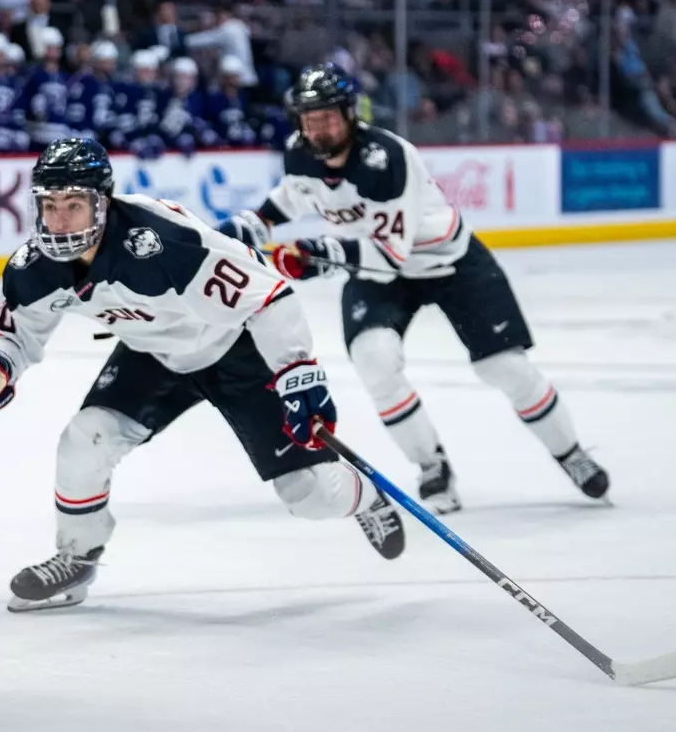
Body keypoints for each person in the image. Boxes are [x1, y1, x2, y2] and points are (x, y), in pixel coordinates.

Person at [0, 139, 405, 612]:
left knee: (308, 495)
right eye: (50, 205)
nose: (59, 221)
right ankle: (77, 558)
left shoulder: (162, 240)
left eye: (74, 205)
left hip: (235, 350)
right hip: (154, 353)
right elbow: (13, 330)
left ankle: (367, 497)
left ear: (102, 204)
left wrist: (296, 372)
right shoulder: (35, 266)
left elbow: (267, 294)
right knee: (85, 440)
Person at [218, 63, 611, 514]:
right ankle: (431, 466)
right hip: (376, 269)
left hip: (449, 263)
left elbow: (390, 257)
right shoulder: (299, 152)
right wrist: (256, 222)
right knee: (375, 360)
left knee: (505, 367)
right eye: (309, 119)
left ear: (350, 114)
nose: (318, 128)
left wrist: (315, 253)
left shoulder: (387, 158)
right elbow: (295, 193)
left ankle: (570, 452)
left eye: (327, 116)